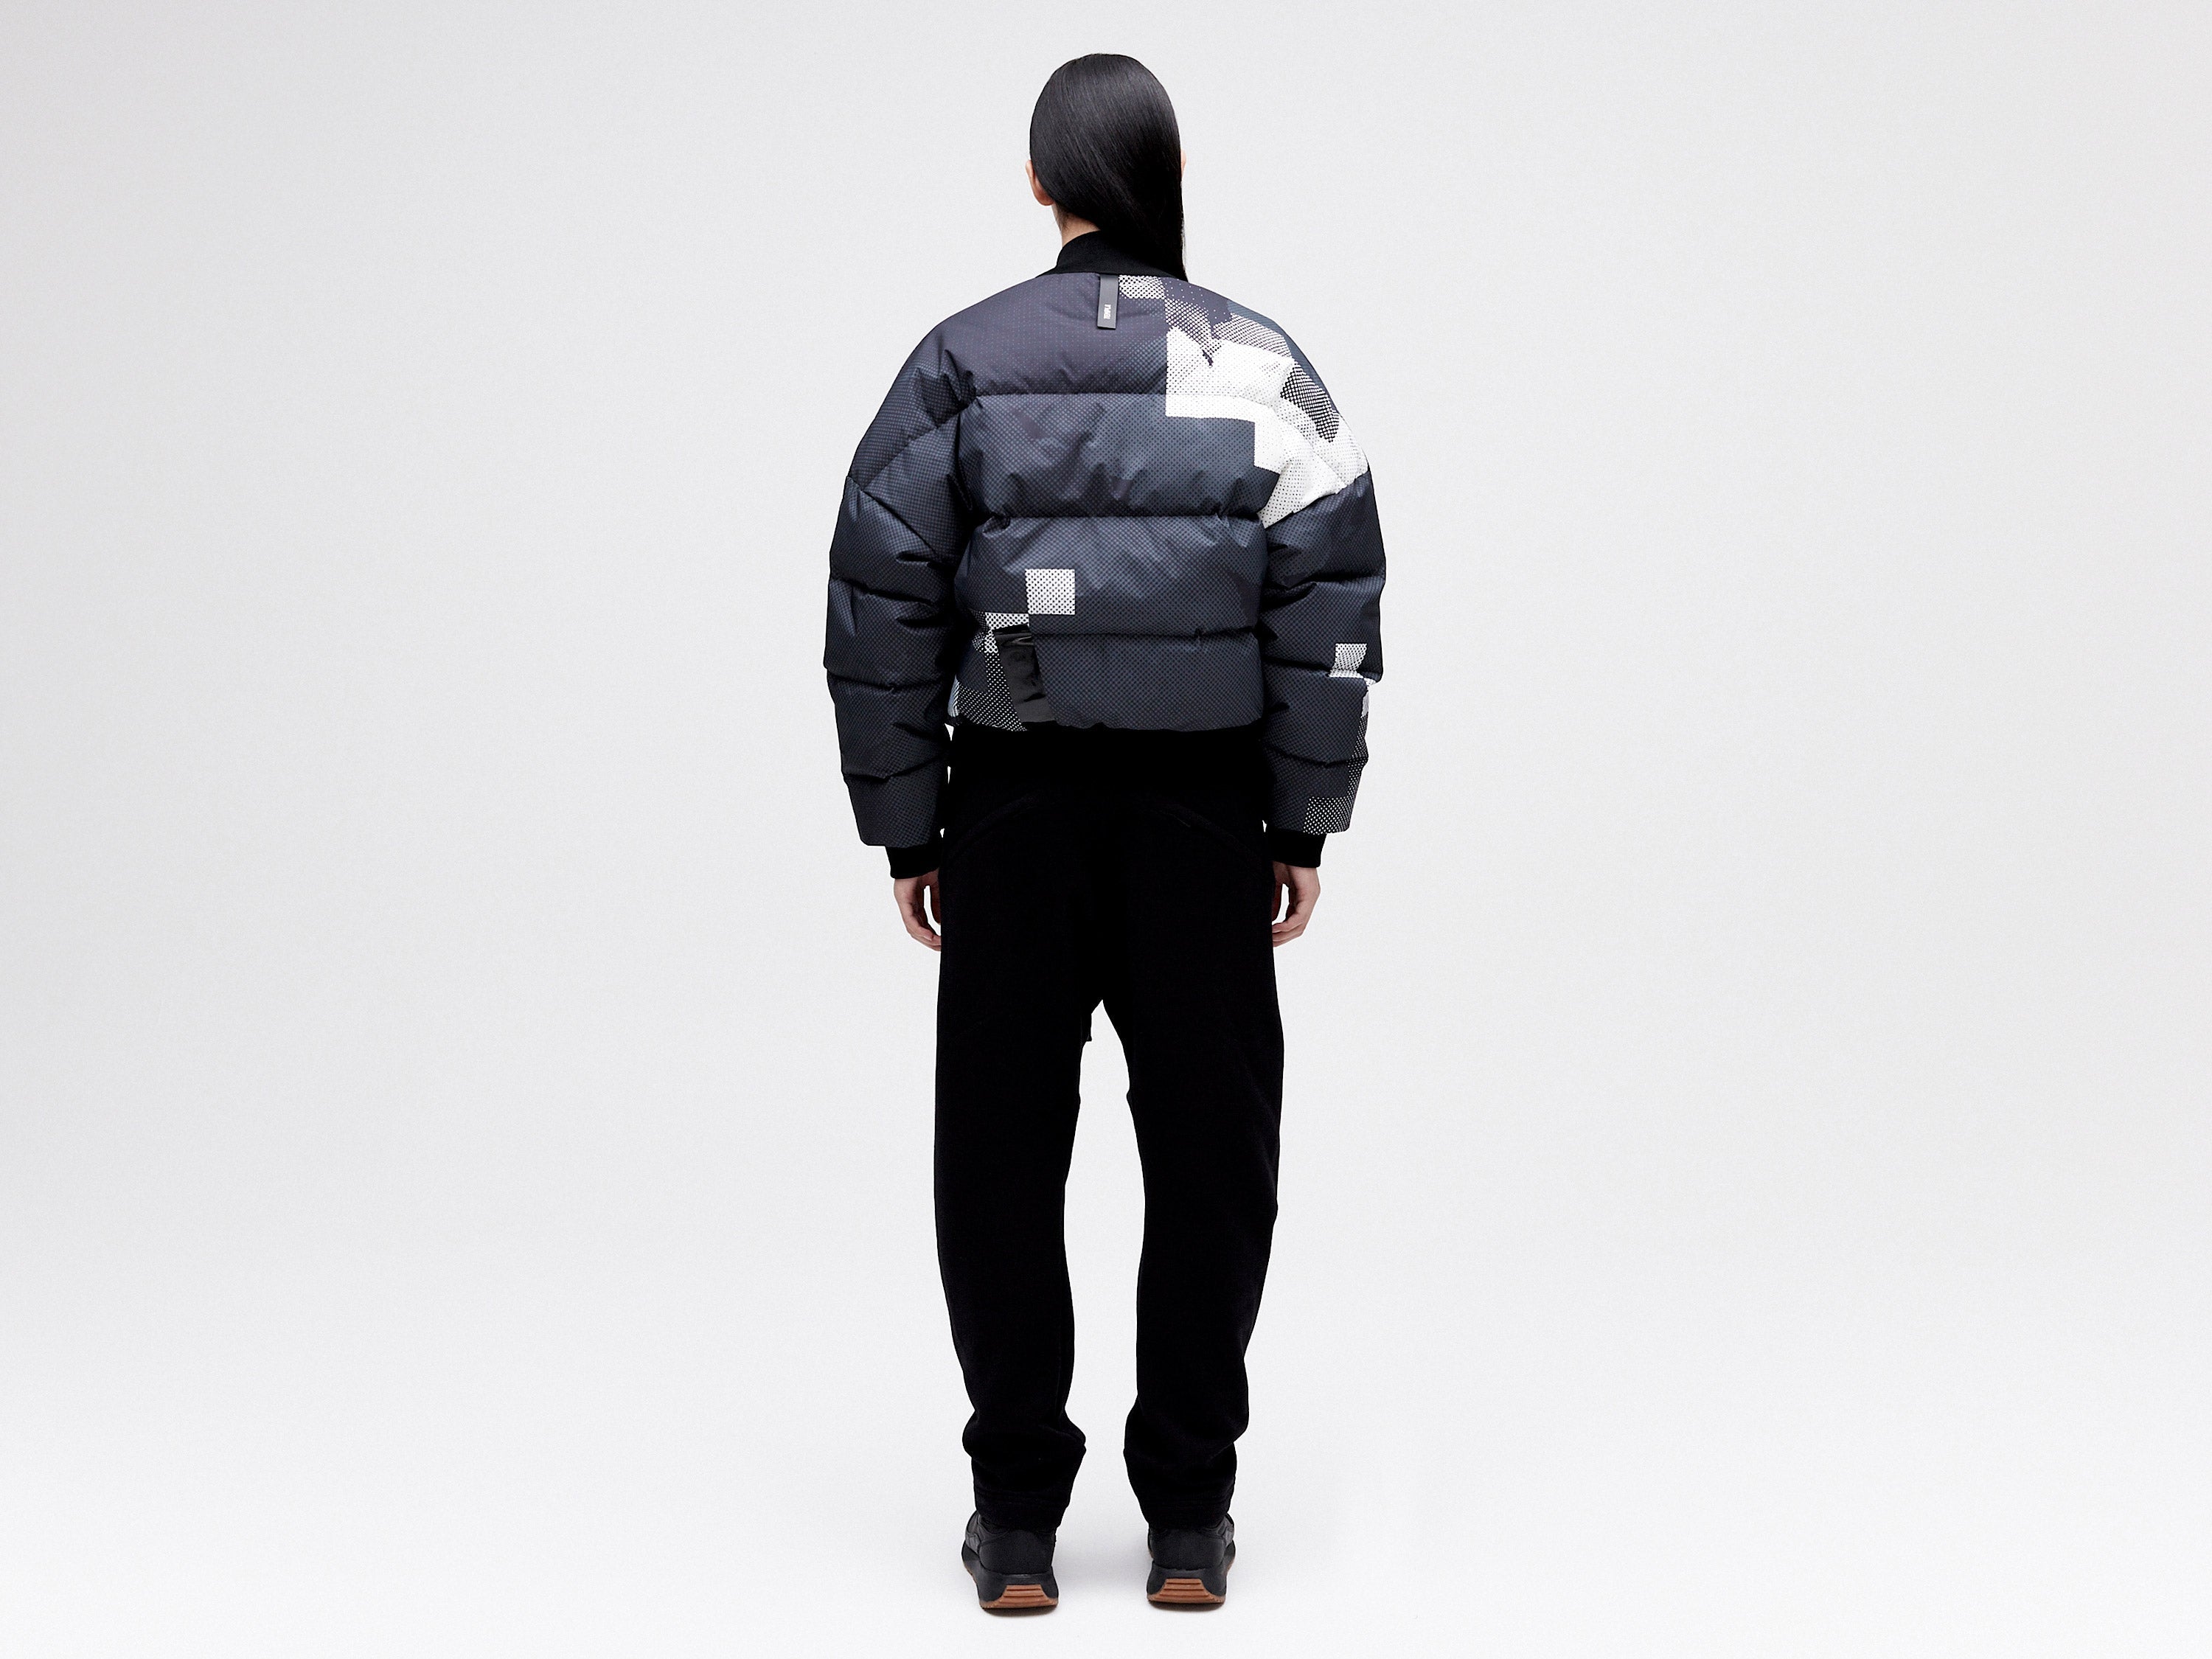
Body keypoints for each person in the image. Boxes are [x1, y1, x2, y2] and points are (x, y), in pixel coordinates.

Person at [822, 53, 1385, 1613]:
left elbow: (879, 592)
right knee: (1213, 1156)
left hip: (1011, 803)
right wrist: (1303, 817)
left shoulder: (962, 362)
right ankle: (1189, 1517)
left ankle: (1016, 1522)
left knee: (1000, 1154)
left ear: (1040, 184)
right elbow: (1329, 600)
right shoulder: (1260, 367)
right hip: (1203, 811)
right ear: (1165, 178)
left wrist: (909, 827)